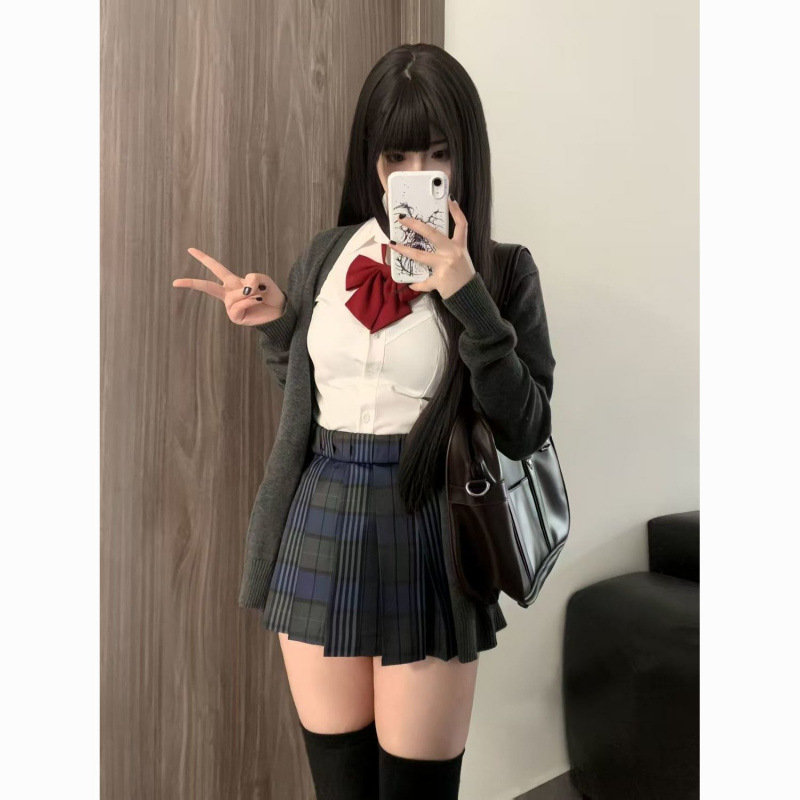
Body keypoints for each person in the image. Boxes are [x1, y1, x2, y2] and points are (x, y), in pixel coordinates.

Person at [173, 42, 556, 800]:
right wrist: (279, 328)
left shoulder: (504, 270)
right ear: (371, 161)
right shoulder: (326, 256)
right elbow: (309, 399)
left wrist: (469, 298)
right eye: (396, 155)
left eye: (437, 154)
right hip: (318, 516)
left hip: (428, 524)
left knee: (414, 788)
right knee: (340, 784)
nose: (415, 172)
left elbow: (525, 428)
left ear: (466, 158)